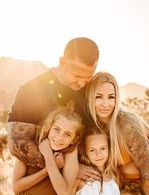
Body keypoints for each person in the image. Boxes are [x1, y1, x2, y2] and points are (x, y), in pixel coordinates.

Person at [7, 37, 99, 168]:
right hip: (41, 179)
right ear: (62, 63)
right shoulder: (30, 91)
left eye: (88, 77)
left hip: (84, 182)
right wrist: (69, 169)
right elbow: (17, 144)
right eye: (77, 76)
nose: (82, 83)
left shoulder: (91, 91)